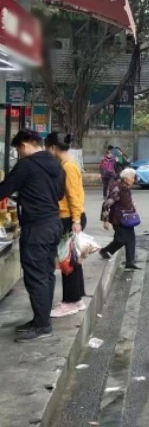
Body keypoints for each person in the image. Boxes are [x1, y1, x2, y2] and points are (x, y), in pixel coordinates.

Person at [0, 129, 65, 342]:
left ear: (26, 144)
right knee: (45, 274)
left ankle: (42, 325)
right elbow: (59, 194)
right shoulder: (55, 164)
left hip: (37, 228)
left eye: (19, 149)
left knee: (35, 277)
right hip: (53, 224)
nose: (19, 154)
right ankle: (41, 319)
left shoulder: (27, 165)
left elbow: (4, 189)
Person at [45, 133, 87, 318]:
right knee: (72, 261)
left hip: (69, 218)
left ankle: (70, 302)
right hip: (70, 217)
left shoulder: (68, 167)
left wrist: (76, 220)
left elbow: (74, 195)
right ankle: (77, 299)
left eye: (47, 148)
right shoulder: (66, 164)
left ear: (53, 148)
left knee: (67, 262)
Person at [100, 168, 141, 271]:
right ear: (126, 178)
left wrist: (132, 206)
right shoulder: (117, 188)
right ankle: (105, 251)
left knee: (130, 239)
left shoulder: (126, 188)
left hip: (127, 219)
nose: (134, 180)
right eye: (132, 177)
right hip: (119, 219)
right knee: (121, 239)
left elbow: (125, 202)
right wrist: (105, 221)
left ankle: (129, 262)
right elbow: (106, 204)